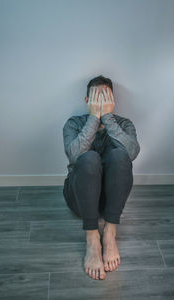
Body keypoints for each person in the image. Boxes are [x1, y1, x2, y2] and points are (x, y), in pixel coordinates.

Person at [62, 75, 140, 280]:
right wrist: (94, 118)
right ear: (87, 101)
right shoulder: (73, 123)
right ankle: (91, 237)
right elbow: (74, 155)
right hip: (78, 199)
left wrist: (107, 117)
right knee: (88, 158)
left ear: (112, 101)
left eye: (105, 99)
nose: (101, 103)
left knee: (120, 155)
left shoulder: (124, 124)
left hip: (109, 204)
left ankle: (110, 233)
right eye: (96, 99)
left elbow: (131, 153)